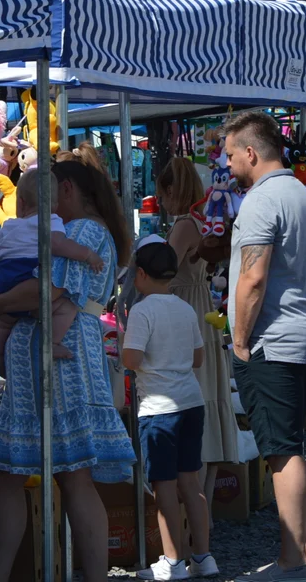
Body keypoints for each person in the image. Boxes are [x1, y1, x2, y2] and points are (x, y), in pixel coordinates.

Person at [0, 160, 135, 582]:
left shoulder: (83, 231)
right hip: (53, 355)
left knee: (64, 476)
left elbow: (45, 292)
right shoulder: (89, 232)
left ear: (66, 188)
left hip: (56, 359)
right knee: (51, 476)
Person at [222, 110, 306, 582]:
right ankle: (302, 556)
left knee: (282, 453)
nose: (226, 166)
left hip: (274, 340)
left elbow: (253, 277)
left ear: (250, 151)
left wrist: (240, 341)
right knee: (292, 450)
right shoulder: (300, 193)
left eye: (228, 155)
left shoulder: (262, 201)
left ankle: (292, 564)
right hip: (301, 336)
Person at [122, 239, 217, 580]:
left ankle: (173, 561)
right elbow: (198, 358)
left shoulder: (142, 311)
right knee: (191, 483)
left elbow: (131, 360)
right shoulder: (184, 308)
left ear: (143, 274)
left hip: (158, 408)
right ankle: (204, 557)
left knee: (164, 487)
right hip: (191, 402)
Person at [155, 158, 238, 522]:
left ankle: (192, 521)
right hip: (200, 311)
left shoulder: (185, 225)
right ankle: (199, 520)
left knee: (194, 403)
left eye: (162, 194)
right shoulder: (202, 219)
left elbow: (162, 272)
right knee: (205, 398)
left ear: (172, 190)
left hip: (184, 311)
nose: (159, 202)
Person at [0, 171, 104, 373]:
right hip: (29, 273)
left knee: (3, 323)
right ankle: (52, 343)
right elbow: (58, 244)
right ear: (55, 206)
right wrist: (87, 255)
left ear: (20, 203)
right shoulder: (51, 221)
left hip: (3, 278)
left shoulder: (8, 225)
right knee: (67, 306)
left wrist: (3, 273)